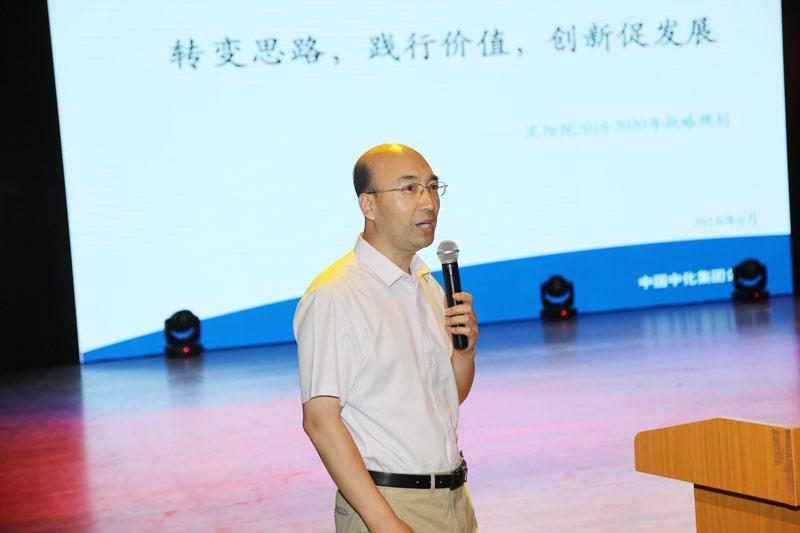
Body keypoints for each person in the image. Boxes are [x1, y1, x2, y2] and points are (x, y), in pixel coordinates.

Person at [293, 143, 479, 532]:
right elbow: (320, 421)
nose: (428, 202)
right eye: (410, 189)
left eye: (433, 187)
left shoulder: (427, 285)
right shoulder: (336, 295)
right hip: (389, 505)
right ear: (369, 205)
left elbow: (448, 397)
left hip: (453, 499)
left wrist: (464, 353)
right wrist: (382, 521)